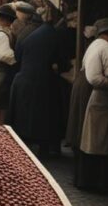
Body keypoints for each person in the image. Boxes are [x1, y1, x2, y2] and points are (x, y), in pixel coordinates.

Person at [66, 19, 108, 189]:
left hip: (82, 86)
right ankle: (93, 182)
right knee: (93, 137)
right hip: (93, 91)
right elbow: (97, 78)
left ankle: (82, 179)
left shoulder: (94, 44)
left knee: (83, 134)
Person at [8, 15, 69, 156]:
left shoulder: (29, 35)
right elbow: (62, 61)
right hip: (42, 81)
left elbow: (18, 56)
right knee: (46, 117)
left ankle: (22, 148)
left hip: (23, 79)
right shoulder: (54, 36)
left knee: (26, 118)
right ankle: (45, 148)